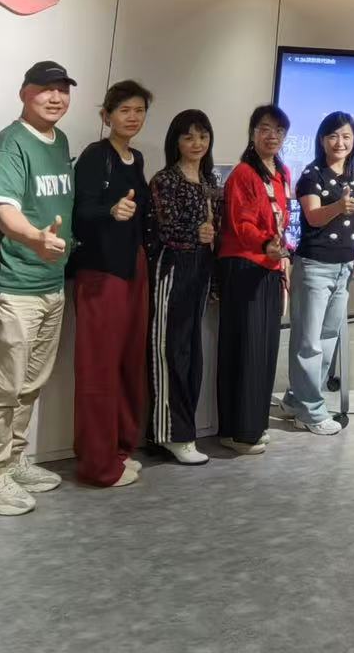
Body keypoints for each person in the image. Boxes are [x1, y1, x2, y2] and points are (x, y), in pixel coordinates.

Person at [0, 61, 77, 515]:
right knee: (4, 386)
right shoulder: (8, 145)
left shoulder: (60, 141)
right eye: (45, 89)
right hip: (14, 286)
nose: (55, 97)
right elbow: (3, 210)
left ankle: (14, 459)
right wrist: (35, 238)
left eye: (62, 90)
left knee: (32, 383)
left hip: (52, 284)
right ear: (24, 93)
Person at [71, 81, 155, 488]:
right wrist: (110, 211)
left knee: (126, 362)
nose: (132, 117)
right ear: (106, 116)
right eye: (124, 110)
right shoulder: (95, 155)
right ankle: (97, 464)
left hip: (131, 267)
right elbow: (79, 210)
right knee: (99, 368)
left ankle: (119, 450)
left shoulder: (136, 157)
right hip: (100, 272)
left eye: (139, 110)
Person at [288, 111, 354, 435]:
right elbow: (312, 217)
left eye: (346, 136)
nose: (340, 142)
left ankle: (299, 399)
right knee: (309, 342)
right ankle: (310, 412)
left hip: (343, 270)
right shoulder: (312, 175)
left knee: (327, 339)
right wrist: (339, 206)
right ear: (322, 140)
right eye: (333, 136)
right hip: (314, 267)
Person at [144, 109, 221, 465]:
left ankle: (185, 430)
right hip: (173, 269)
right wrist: (196, 233)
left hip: (201, 270)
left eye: (202, 136)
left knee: (192, 353)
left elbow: (217, 231)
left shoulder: (209, 181)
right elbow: (163, 229)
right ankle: (170, 434)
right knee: (170, 351)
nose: (196, 143)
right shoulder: (165, 180)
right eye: (188, 136)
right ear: (175, 141)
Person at [217, 105, 292, 455]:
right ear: (252, 133)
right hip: (244, 268)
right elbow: (240, 223)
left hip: (271, 268)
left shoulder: (283, 172)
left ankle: (254, 424)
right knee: (244, 349)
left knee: (265, 351)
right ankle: (237, 431)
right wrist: (265, 245)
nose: (272, 136)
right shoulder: (243, 174)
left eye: (278, 130)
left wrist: (281, 252)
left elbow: (280, 221)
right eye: (264, 128)